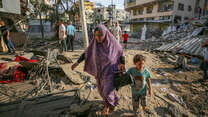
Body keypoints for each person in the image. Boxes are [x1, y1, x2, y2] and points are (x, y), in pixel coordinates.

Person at [71, 24, 125, 115]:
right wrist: (77, 62)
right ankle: (112, 101)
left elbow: (121, 53)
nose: (98, 37)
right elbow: (86, 53)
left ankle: (109, 106)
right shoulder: (94, 44)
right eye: (96, 35)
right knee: (101, 90)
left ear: (105, 34)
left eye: (100, 35)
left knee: (107, 91)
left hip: (110, 72)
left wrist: (122, 64)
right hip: (99, 72)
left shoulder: (113, 43)